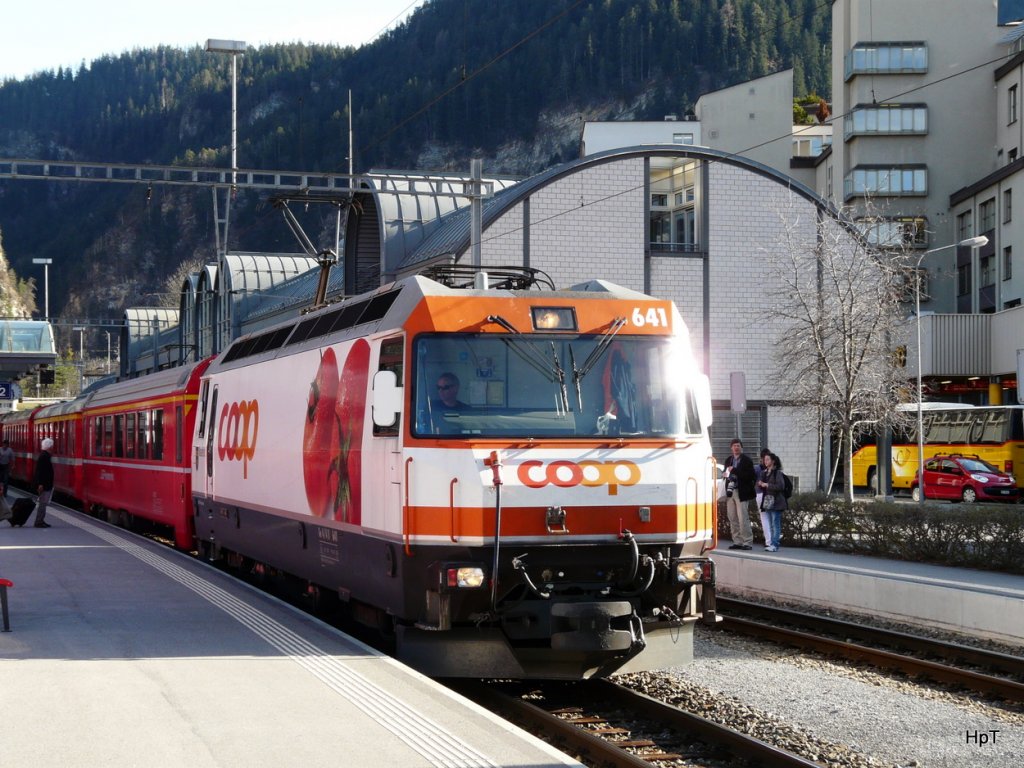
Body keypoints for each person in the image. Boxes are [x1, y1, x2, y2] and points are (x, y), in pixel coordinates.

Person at [722, 439, 756, 550]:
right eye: (734, 446)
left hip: (742, 492)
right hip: (730, 491)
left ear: (741, 448)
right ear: (731, 448)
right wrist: (725, 474)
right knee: (732, 518)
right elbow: (726, 473)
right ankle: (737, 541)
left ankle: (747, 542)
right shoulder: (729, 460)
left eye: (738, 446)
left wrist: (735, 471)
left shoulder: (747, 460)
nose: (736, 447)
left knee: (743, 518)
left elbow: (750, 476)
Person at [757, 452, 787, 552]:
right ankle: (771, 543)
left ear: (773, 461)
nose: (765, 461)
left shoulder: (777, 473)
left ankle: (775, 544)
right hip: (768, 500)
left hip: (777, 501)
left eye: (768, 459)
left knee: (775, 523)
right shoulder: (764, 472)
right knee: (770, 523)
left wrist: (767, 485)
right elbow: (760, 484)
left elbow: (780, 486)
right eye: (764, 460)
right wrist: (760, 483)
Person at [31, 437, 54, 529]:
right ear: (49, 447)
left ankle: (40, 520)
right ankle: (39, 521)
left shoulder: (44, 455)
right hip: (44, 485)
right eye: (52, 446)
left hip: (45, 484)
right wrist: (40, 484)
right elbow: (40, 471)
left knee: (43, 503)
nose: (53, 448)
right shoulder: (44, 456)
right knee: (42, 503)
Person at [755, 448, 772, 547]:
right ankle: (773, 540)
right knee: (771, 517)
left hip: (761, 494)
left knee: (764, 517)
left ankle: (768, 541)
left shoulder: (757, 469)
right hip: (771, 495)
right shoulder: (773, 468)